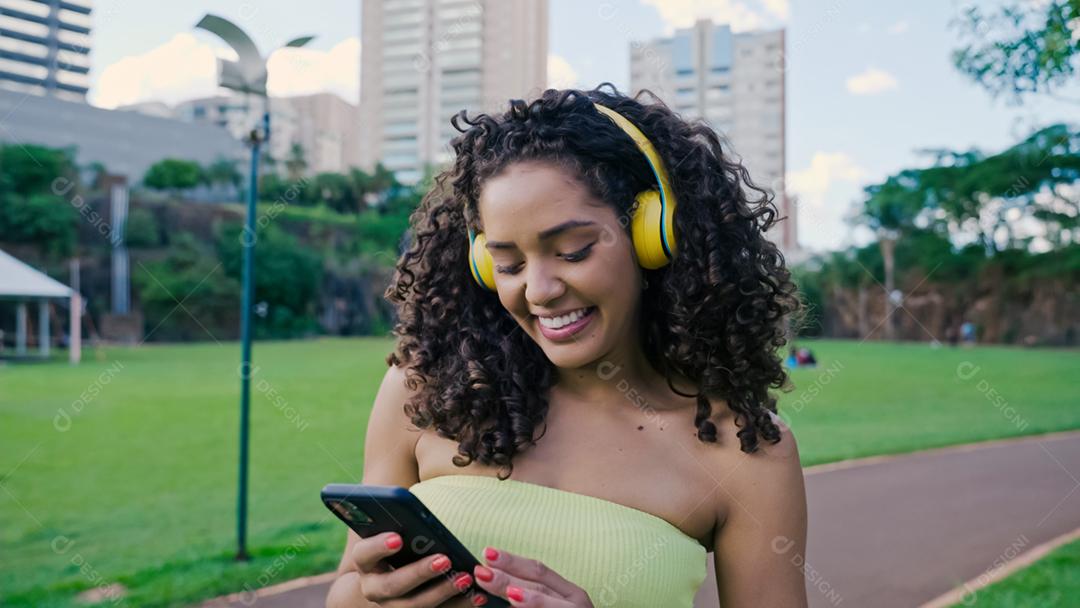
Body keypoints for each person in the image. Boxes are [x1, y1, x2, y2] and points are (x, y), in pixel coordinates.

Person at [326, 84, 808, 608]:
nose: (539, 290)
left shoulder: (744, 450)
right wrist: (373, 598)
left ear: (655, 235)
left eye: (573, 252)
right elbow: (346, 590)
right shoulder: (423, 390)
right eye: (508, 264)